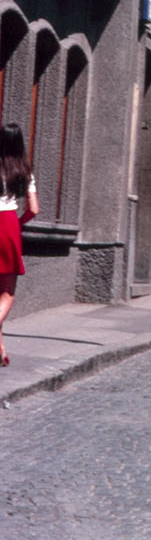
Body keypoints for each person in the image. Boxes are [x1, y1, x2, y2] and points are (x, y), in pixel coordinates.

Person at [0, 124, 38, 366]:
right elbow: (34, 209)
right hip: (8, 226)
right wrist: (19, 223)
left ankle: (0, 349)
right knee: (7, 292)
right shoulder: (24, 171)